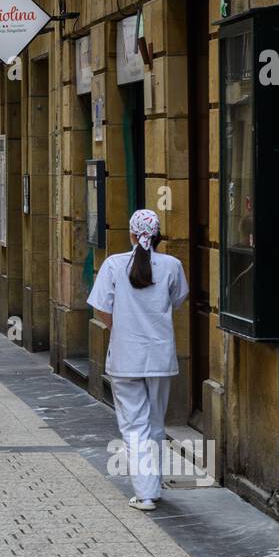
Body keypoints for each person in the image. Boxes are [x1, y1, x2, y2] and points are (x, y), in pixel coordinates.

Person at [86, 209, 190, 512]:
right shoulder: (172, 265)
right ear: (157, 235)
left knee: (134, 425)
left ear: (132, 234)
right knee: (156, 423)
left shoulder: (114, 265)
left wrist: (120, 328)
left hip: (125, 356)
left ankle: (145, 493)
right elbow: (178, 300)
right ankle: (153, 487)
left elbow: (102, 308)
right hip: (159, 355)